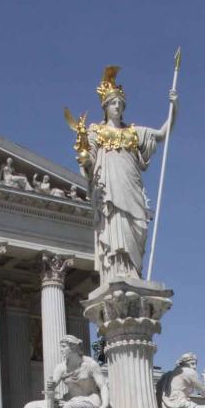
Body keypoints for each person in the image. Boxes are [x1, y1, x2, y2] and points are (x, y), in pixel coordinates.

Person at [74, 65, 177, 283]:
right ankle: (116, 272)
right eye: (113, 103)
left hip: (131, 185)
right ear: (105, 107)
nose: (117, 107)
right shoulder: (96, 132)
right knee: (115, 223)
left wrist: (174, 107)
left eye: (120, 104)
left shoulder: (133, 132)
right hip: (110, 188)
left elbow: (161, 134)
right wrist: (85, 160)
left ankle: (133, 272)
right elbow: (89, 159)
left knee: (138, 225)